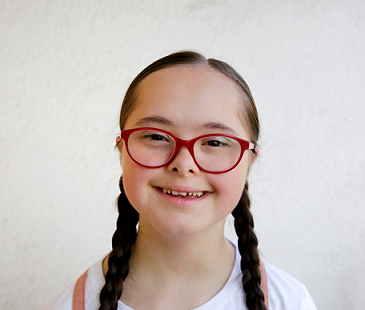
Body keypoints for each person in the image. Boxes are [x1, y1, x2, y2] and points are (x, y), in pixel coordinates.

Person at [42, 51, 317, 310]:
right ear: (122, 150)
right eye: (156, 137)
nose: (184, 164)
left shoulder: (290, 301)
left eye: (215, 142)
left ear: (249, 161)